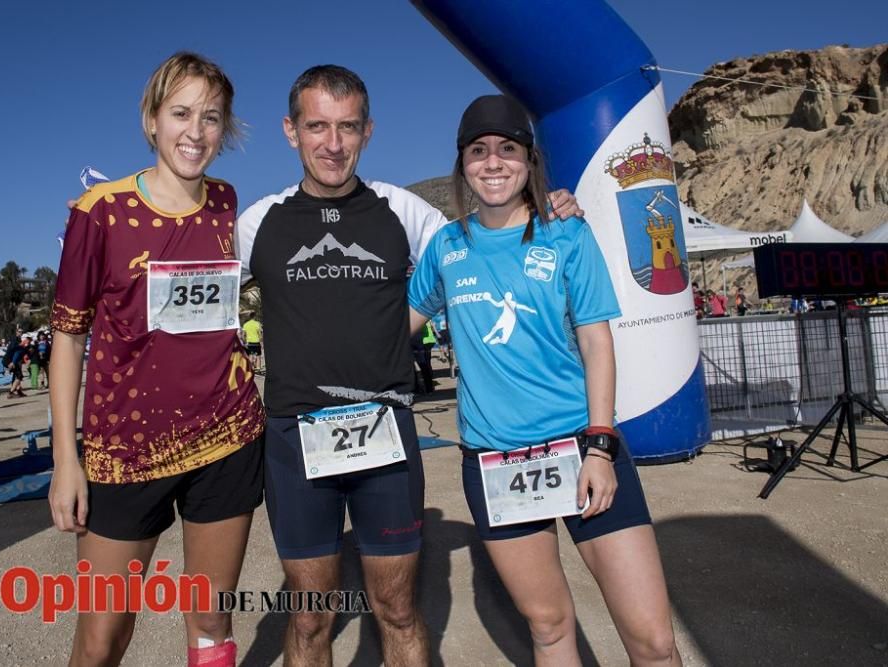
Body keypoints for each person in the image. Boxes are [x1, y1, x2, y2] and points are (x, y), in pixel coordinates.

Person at [237, 66, 582, 666]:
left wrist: (545, 211)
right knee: (311, 620)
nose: (333, 143)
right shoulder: (257, 222)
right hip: (295, 440)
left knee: (397, 611)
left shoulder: (405, 210)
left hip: (386, 434)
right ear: (290, 132)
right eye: (317, 126)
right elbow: (180, 271)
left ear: (368, 131)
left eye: (347, 127)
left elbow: (487, 251)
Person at [408, 95, 681, 666]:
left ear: (529, 162)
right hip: (495, 462)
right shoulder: (447, 246)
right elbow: (394, 327)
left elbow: (596, 342)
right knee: (550, 627)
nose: (493, 163)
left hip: (583, 447)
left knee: (653, 641)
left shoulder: (565, 235)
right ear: (463, 164)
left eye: (508, 150)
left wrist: (602, 445)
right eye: (478, 151)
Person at [49, 52, 265, 667]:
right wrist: (68, 458)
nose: (195, 132)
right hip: (126, 451)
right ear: (151, 120)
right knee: (103, 635)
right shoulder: (100, 212)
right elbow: (67, 337)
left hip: (226, 435)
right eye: (180, 113)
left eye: (212, 117)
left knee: (210, 620)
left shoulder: (226, 203)